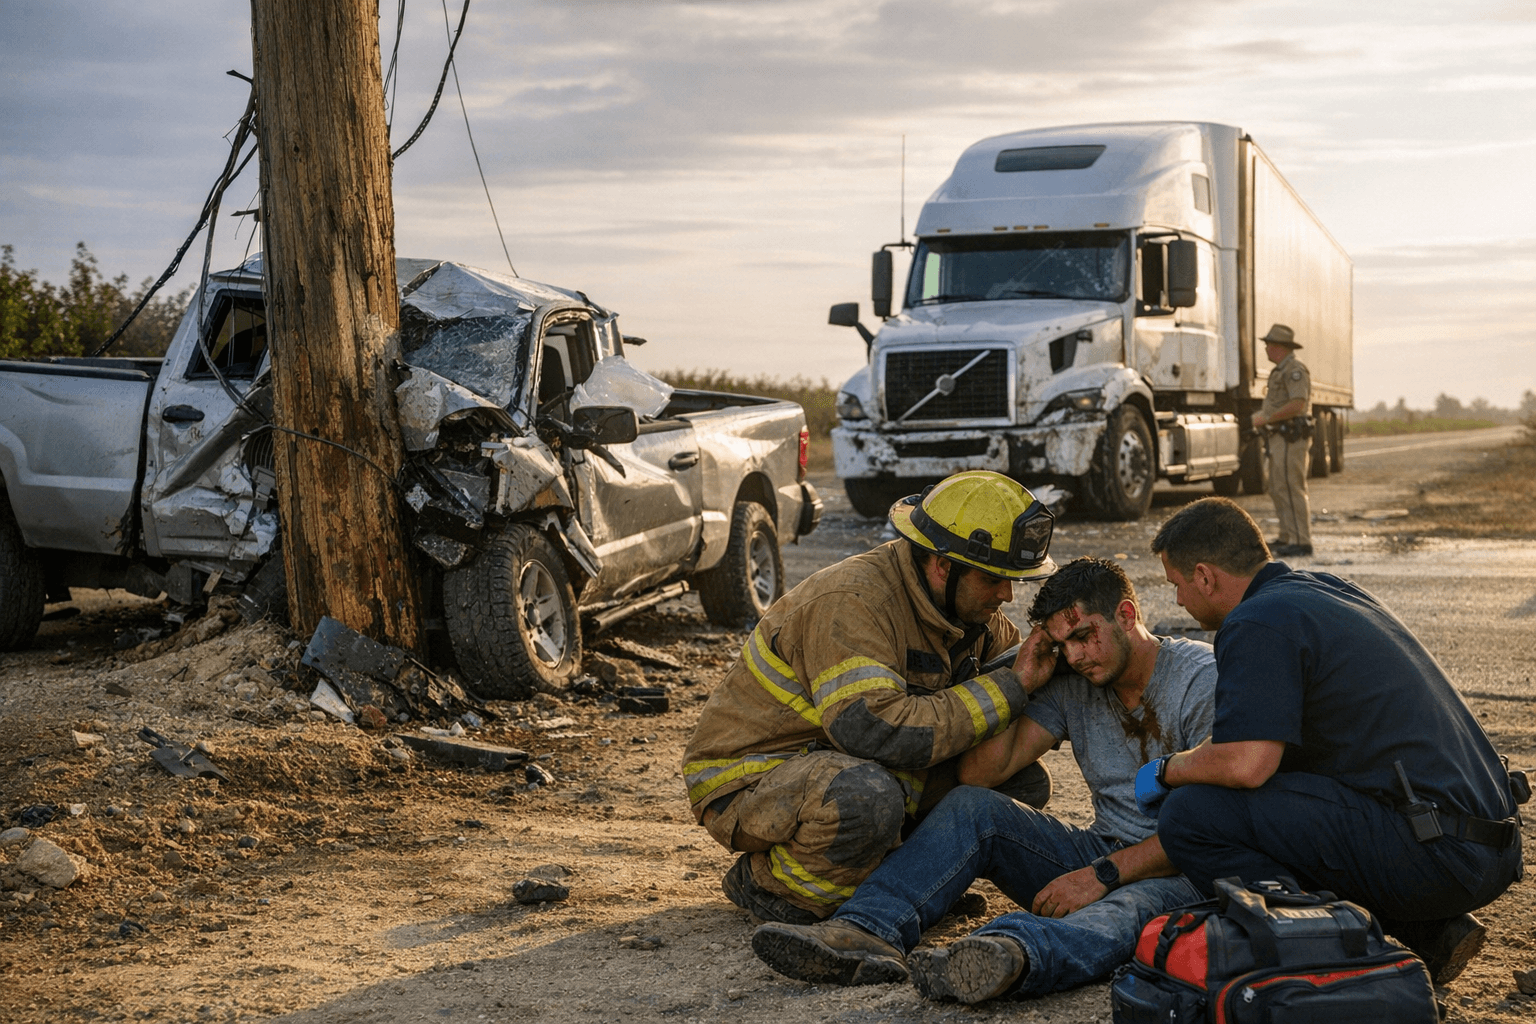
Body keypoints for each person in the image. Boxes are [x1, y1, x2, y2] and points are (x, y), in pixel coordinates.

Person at [748, 557, 1218, 1005]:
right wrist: (1024, 680)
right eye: (1062, 644)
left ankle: (1007, 956)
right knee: (973, 806)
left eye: (1083, 636)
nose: (1075, 656)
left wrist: (1101, 876)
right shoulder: (1077, 677)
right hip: (1102, 855)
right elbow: (981, 774)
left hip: (1189, 868)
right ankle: (865, 931)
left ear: (1126, 614)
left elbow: (1215, 827)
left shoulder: (1200, 679)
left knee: (1129, 909)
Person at [1142, 496, 1524, 986]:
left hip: (1441, 855)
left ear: (1204, 575)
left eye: (1176, 585)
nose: (1177, 602)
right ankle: (1427, 932)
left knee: (1192, 816)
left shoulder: (1255, 622)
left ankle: (1334, 958)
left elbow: (1246, 764)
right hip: (1484, 842)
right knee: (1283, 798)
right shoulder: (1322, 591)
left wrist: (1166, 770)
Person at [682, 471, 1059, 925]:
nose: (1007, 594)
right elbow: (876, 731)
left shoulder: (967, 611)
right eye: (994, 578)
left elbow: (1007, 693)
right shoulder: (853, 602)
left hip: (841, 762)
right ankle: (773, 886)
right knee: (866, 799)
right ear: (943, 565)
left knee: (1019, 785)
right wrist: (1012, 687)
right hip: (754, 777)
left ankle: (903, 881)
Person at [1251, 323, 1313, 557]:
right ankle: (1288, 535)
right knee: (1278, 487)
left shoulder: (1294, 370)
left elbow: (1298, 404)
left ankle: (1301, 540)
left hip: (1290, 437)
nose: (1266, 349)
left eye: (1268, 345)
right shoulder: (1280, 371)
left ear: (1278, 347)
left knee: (1291, 486)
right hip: (1280, 437)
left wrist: (1268, 417)